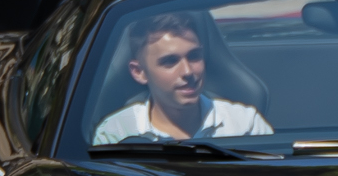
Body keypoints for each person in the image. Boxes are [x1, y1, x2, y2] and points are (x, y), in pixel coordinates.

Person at [91, 13, 273, 143]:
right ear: (139, 72)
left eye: (194, 56)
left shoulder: (245, 126)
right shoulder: (116, 134)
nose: (187, 71)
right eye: (170, 61)